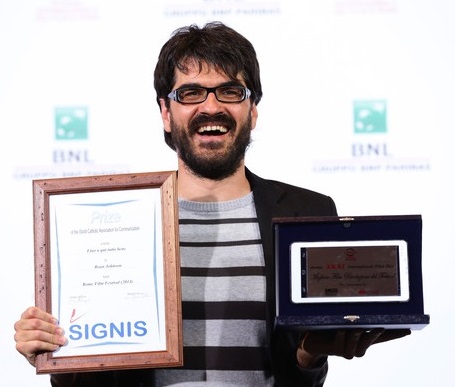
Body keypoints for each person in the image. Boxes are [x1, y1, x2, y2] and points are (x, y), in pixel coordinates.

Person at [14, 22, 410, 386]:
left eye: (230, 91)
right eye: (190, 93)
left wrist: (308, 356)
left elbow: (299, 371)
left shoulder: (306, 213)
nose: (211, 106)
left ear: (252, 110)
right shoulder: (113, 222)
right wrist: (57, 353)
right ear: (166, 113)